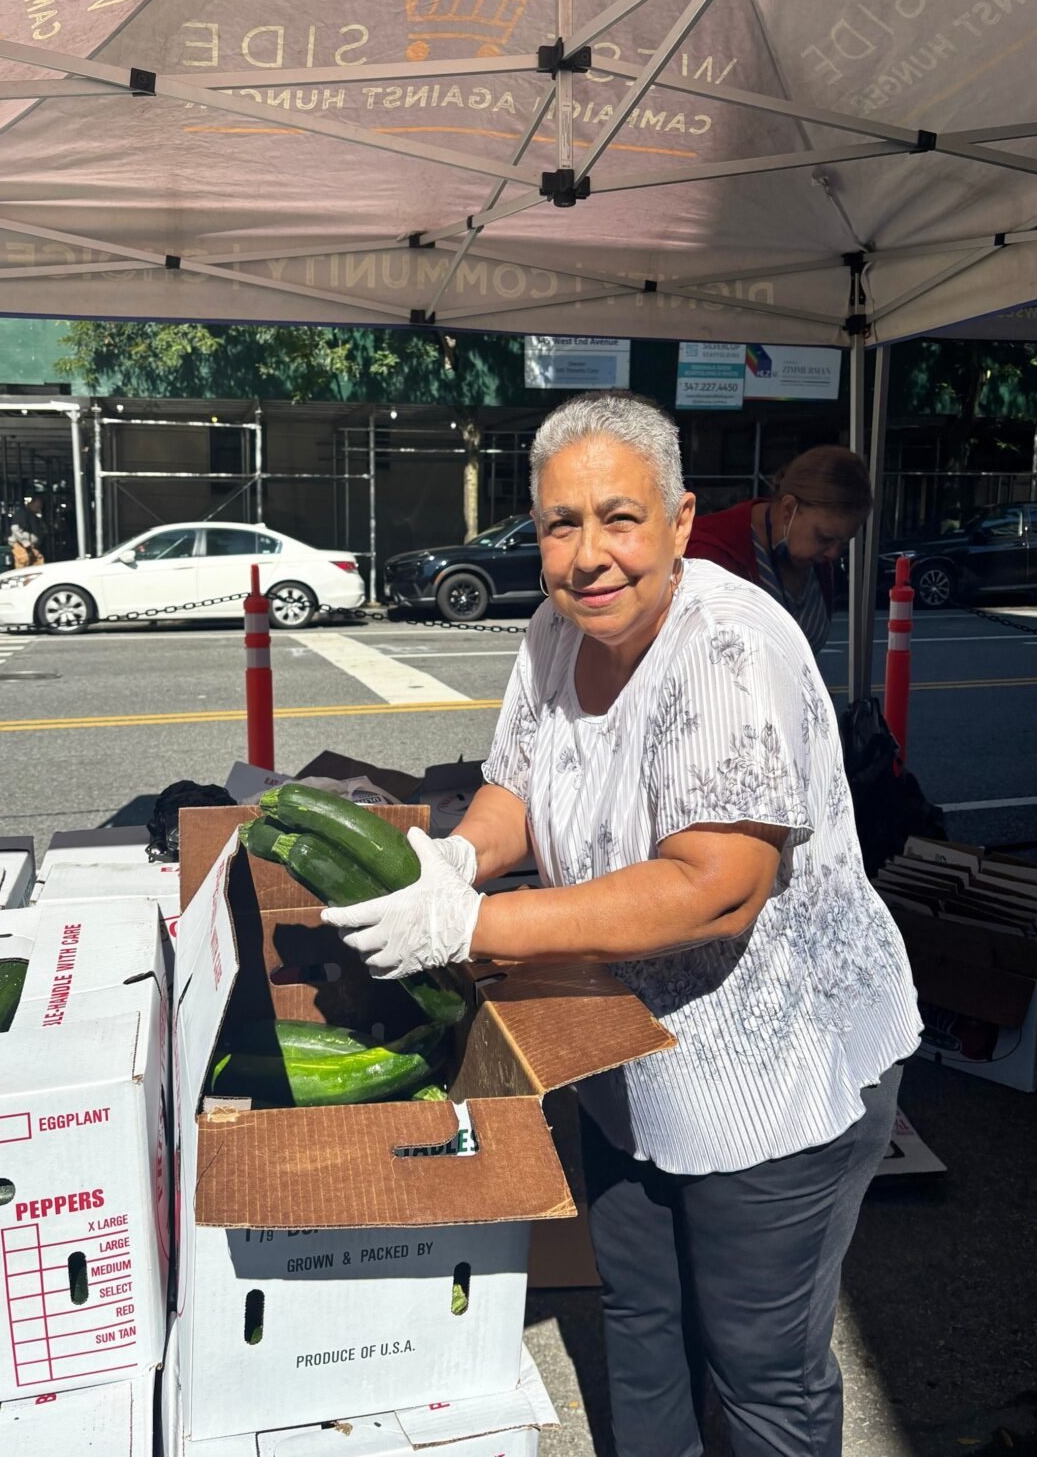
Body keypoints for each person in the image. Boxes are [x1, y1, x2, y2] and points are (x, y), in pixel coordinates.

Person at [321, 392, 921, 1457]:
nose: (590, 554)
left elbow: (716, 887)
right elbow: (516, 782)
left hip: (776, 1077)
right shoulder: (559, 628)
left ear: (683, 523)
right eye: (562, 523)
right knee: (642, 1320)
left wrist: (471, 930)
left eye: (620, 518)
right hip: (627, 1055)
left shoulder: (728, 647)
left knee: (759, 1369)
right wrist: (460, 854)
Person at [684, 446, 873, 653]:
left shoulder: (815, 561)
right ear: (788, 509)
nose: (833, 554)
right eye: (824, 538)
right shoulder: (707, 553)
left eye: (844, 544)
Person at [8, 496, 45, 569]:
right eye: (37, 506)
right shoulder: (22, 513)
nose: (39, 508)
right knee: (23, 561)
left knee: (38, 561)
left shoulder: (33, 515)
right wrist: (24, 542)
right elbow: (15, 528)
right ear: (31, 504)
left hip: (29, 546)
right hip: (21, 545)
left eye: (40, 506)